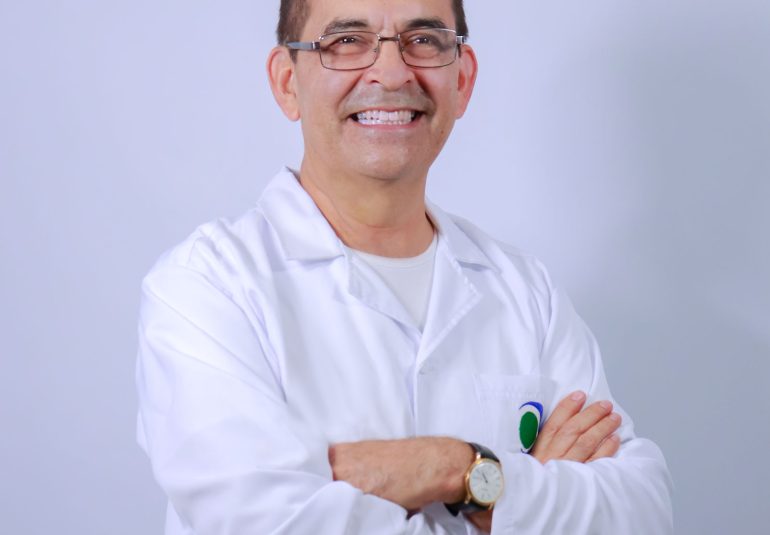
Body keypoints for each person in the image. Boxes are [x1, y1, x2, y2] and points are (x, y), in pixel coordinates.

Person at [135, 0, 674, 533]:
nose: (392, 73)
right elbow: (259, 521)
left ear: (462, 79)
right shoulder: (207, 288)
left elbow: (642, 513)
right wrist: (512, 495)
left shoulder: (528, 292)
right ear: (286, 82)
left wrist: (452, 465)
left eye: (424, 40)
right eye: (347, 41)